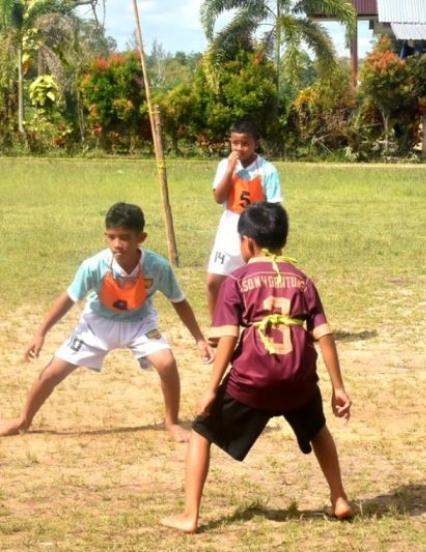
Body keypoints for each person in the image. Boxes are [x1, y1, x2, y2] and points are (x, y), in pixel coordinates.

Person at [161, 202, 353, 533]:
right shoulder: (303, 280)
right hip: (298, 381)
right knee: (318, 430)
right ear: (283, 241)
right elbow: (324, 334)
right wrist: (338, 387)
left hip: (252, 382)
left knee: (201, 432)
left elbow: (229, 339)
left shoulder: (236, 280)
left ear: (247, 242)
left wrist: (210, 389)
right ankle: (340, 499)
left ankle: (190, 515)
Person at [0, 202, 213, 442]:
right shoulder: (93, 266)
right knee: (51, 373)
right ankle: (23, 420)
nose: (117, 244)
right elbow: (68, 299)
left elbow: (179, 301)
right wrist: (40, 333)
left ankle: (172, 421)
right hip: (96, 325)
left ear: (140, 238)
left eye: (124, 237)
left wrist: (199, 338)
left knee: (166, 362)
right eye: (111, 237)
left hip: (140, 323)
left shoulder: (158, 266)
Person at [207, 120, 282, 320]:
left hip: (255, 229)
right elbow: (218, 198)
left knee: (256, 281)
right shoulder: (225, 165)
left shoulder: (268, 170)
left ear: (255, 143)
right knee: (214, 281)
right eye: (235, 143)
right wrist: (230, 169)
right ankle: (217, 326)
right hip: (229, 229)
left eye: (245, 143)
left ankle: (256, 321)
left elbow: (274, 206)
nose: (240, 148)